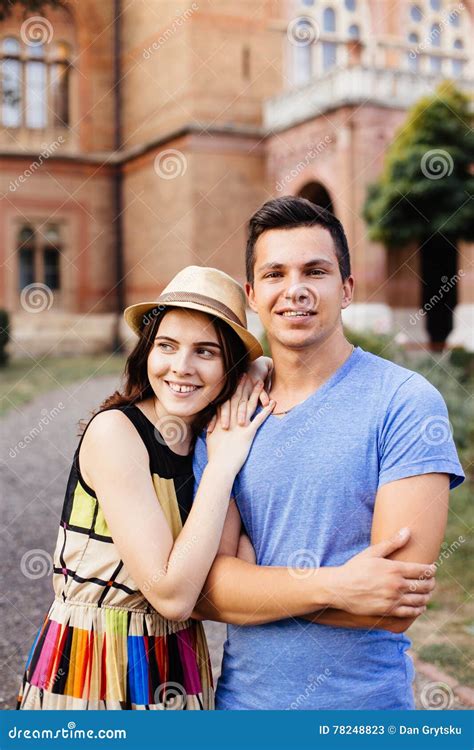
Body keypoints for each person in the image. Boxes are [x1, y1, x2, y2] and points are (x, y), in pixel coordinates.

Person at [192, 197, 465, 710]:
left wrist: (251, 587)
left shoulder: (404, 403)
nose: (294, 289)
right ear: (252, 295)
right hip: (243, 711)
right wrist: (342, 585)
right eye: (274, 273)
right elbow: (205, 593)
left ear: (346, 289)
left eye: (315, 271)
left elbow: (391, 605)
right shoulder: (230, 414)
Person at [16, 266, 275, 710]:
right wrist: (222, 468)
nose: (181, 367)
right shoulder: (116, 433)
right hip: (95, 659)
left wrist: (257, 370)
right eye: (167, 346)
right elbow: (174, 596)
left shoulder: (207, 438)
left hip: (177, 661)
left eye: (206, 352)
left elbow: (217, 571)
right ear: (146, 351)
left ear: (229, 365)